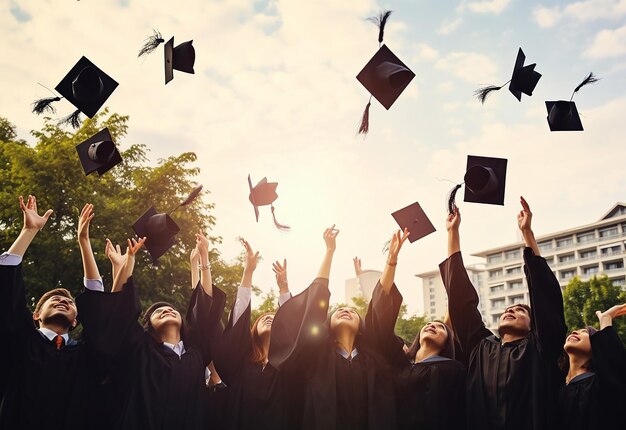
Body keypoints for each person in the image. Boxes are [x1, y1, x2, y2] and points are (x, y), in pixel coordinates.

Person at [76, 230, 226, 430]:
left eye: (171, 309)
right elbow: (120, 314)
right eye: (158, 311)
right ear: (149, 327)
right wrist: (126, 266)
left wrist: (204, 259)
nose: (166, 310)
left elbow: (205, 311)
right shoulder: (140, 351)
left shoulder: (197, 353)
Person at [441, 197, 567, 430]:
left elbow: (545, 299)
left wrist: (527, 234)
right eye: (509, 309)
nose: (511, 310)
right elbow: (460, 300)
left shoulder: (539, 348)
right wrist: (452, 233)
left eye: (520, 311)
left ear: (533, 325)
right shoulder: (481, 347)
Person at [270, 225, 398, 430]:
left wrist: (391, 263)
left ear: (362, 327)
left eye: (353, 312)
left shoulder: (375, 358)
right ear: (327, 324)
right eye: (338, 310)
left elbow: (380, 312)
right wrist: (329, 252)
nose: (345, 311)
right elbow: (313, 305)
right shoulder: (314, 356)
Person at [0, 195, 104, 429]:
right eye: (53, 299)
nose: (62, 300)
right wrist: (28, 231)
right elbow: (7, 294)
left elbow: (100, 311)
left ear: (76, 320)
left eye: (69, 301)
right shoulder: (21, 341)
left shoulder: (85, 354)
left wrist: (84, 241)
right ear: (35, 316)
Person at [213, 238, 328, 430]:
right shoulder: (242, 362)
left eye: (274, 318)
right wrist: (247, 272)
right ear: (252, 330)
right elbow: (239, 317)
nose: (269, 318)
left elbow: (293, 326)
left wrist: (284, 288)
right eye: (263, 318)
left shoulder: (288, 364)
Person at [366, 229, 466, 430]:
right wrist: (391, 262)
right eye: (429, 324)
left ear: (448, 340)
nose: (432, 325)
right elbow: (379, 322)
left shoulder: (455, 370)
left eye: (440, 327)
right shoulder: (397, 363)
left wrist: (452, 234)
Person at [558, 303, 626, 429]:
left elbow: (614, 363)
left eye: (585, 332)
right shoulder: (556, 387)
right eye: (575, 331)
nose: (574, 332)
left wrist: (606, 319)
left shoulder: (603, 383)